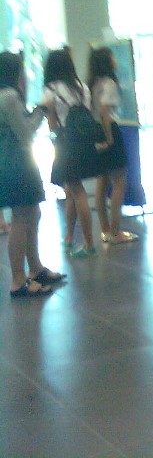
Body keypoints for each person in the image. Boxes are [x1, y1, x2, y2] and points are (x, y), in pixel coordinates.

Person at [1, 52, 65, 296]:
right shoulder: (8, 97)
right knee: (21, 217)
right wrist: (42, 111)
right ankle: (18, 279)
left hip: (16, 163)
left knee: (32, 213)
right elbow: (27, 133)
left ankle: (35, 268)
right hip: (16, 164)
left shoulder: (7, 96)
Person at [42, 48, 100, 257]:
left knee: (77, 192)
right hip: (84, 143)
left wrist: (54, 142)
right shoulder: (82, 87)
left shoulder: (50, 90)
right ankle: (68, 237)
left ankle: (89, 243)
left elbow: (51, 122)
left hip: (66, 144)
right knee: (71, 190)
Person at [87, 47, 136, 245]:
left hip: (95, 130)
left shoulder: (92, 83)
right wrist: (109, 138)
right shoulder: (109, 83)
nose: (115, 60)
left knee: (102, 180)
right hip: (108, 129)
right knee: (119, 181)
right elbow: (105, 111)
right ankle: (115, 231)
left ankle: (105, 229)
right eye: (112, 57)